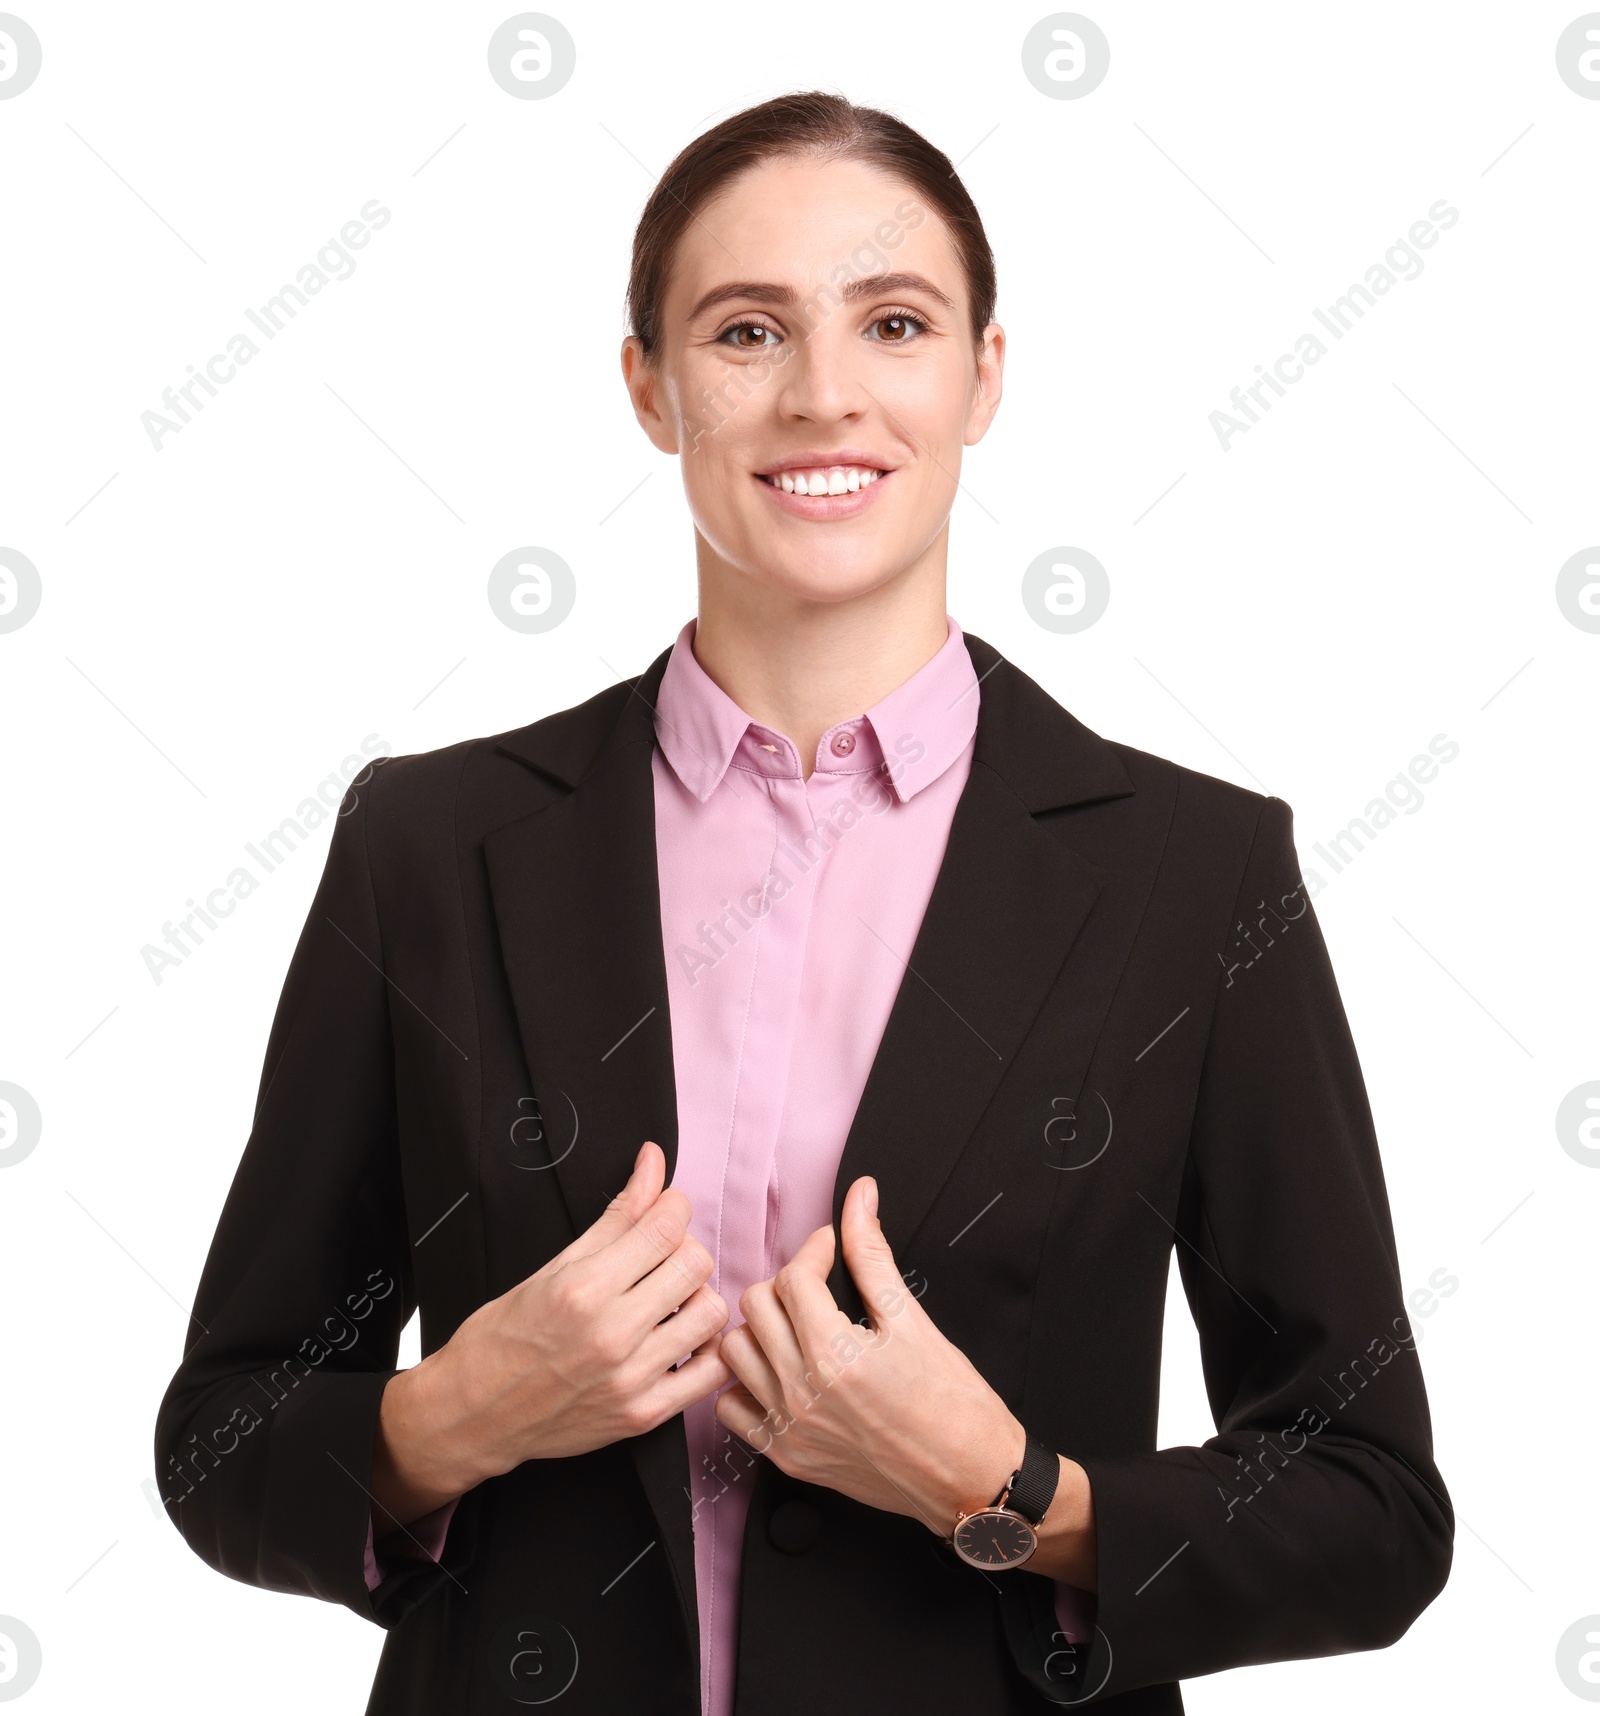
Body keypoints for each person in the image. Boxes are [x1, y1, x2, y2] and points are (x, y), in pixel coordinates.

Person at [156, 91, 1452, 1715]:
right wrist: (459, 1410)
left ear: (984, 376)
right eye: (747, 331)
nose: (824, 394)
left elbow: (1371, 1508)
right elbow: (220, 1439)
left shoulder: (1195, 879)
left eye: (894, 324)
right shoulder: (427, 845)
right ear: (649, 386)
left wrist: (1008, 1490)